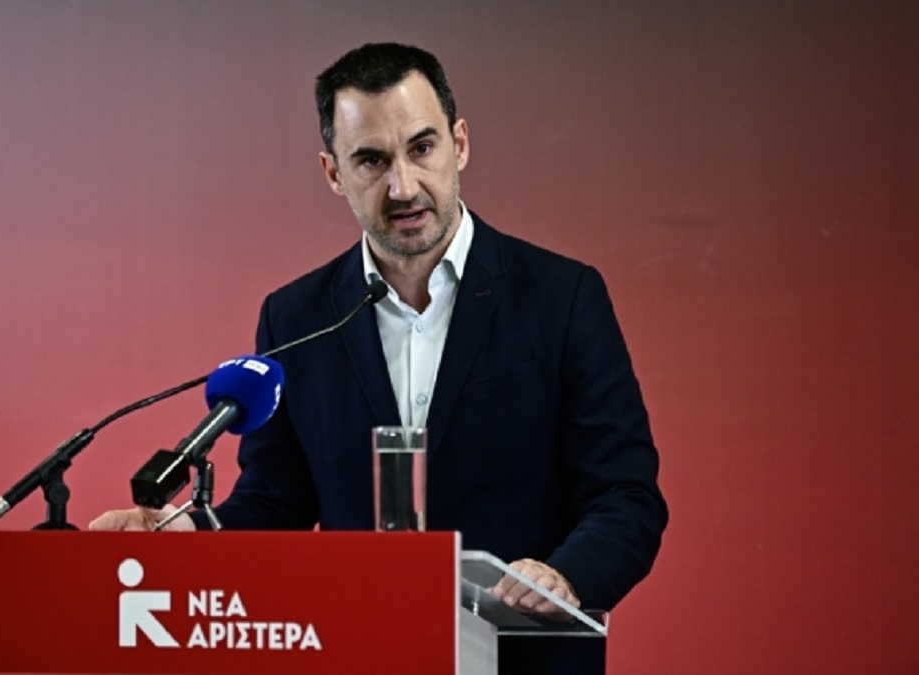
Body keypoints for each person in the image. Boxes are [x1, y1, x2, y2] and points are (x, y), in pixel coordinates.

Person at [91, 42, 667, 674]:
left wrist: (565, 575)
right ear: (334, 172)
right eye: (371, 160)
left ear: (460, 144)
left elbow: (625, 493)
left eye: (422, 148)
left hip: (523, 657)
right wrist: (197, 536)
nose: (403, 186)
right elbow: (276, 502)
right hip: (360, 653)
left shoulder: (562, 297)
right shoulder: (297, 317)